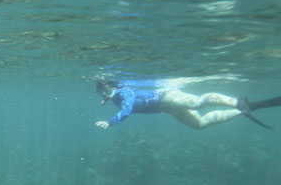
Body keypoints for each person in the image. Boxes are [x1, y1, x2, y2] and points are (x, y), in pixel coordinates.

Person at [95, 79, 281, 130]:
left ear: (110, 86)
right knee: (199, 124)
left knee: (196, 103)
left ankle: (237, 102)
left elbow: (127, 111)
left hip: (166, 96)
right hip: (165, 108)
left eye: (102, 90)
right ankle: (245, 110)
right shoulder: (116, 97)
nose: (101, 94)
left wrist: (110, 122)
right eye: (100, 92)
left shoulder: (124, 92)